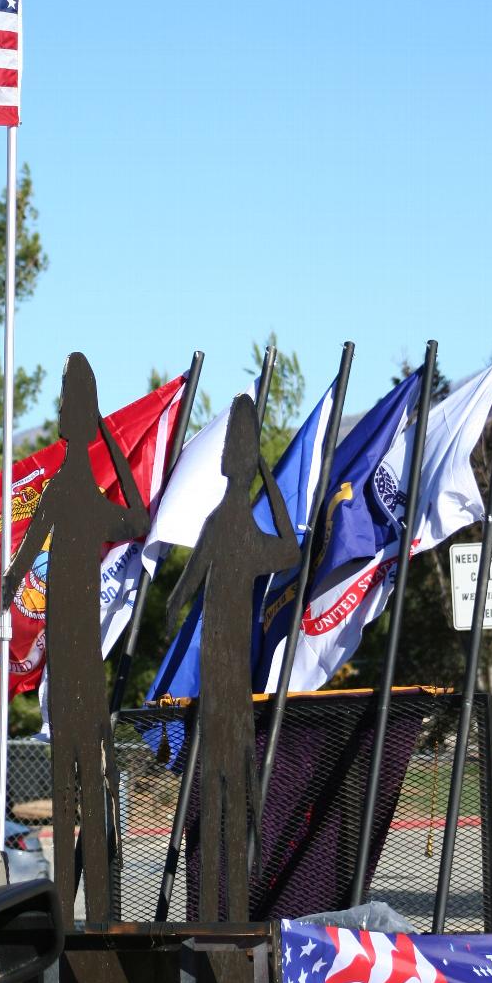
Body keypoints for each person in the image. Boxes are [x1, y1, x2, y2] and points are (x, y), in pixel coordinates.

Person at [4, 353, 148, 921]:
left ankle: (99, 907)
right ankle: (71, 909)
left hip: (85, 658)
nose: (62, 409)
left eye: (71, 400)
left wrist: (111, 439)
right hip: (65, 657)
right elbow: (17, 568)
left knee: (93, 785)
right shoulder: (62, 491)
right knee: (72, 787)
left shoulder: (82, 495)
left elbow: (137, 520)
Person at [167, 392, 298, 920]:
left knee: (224, 790)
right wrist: (269, 478)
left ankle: (228, 902)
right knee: (232, 792)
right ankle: (233, 903)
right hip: (228, 680)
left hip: (223, 679)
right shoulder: (234, 527)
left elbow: (178, 598)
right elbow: (290, 548)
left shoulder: (223, 526)